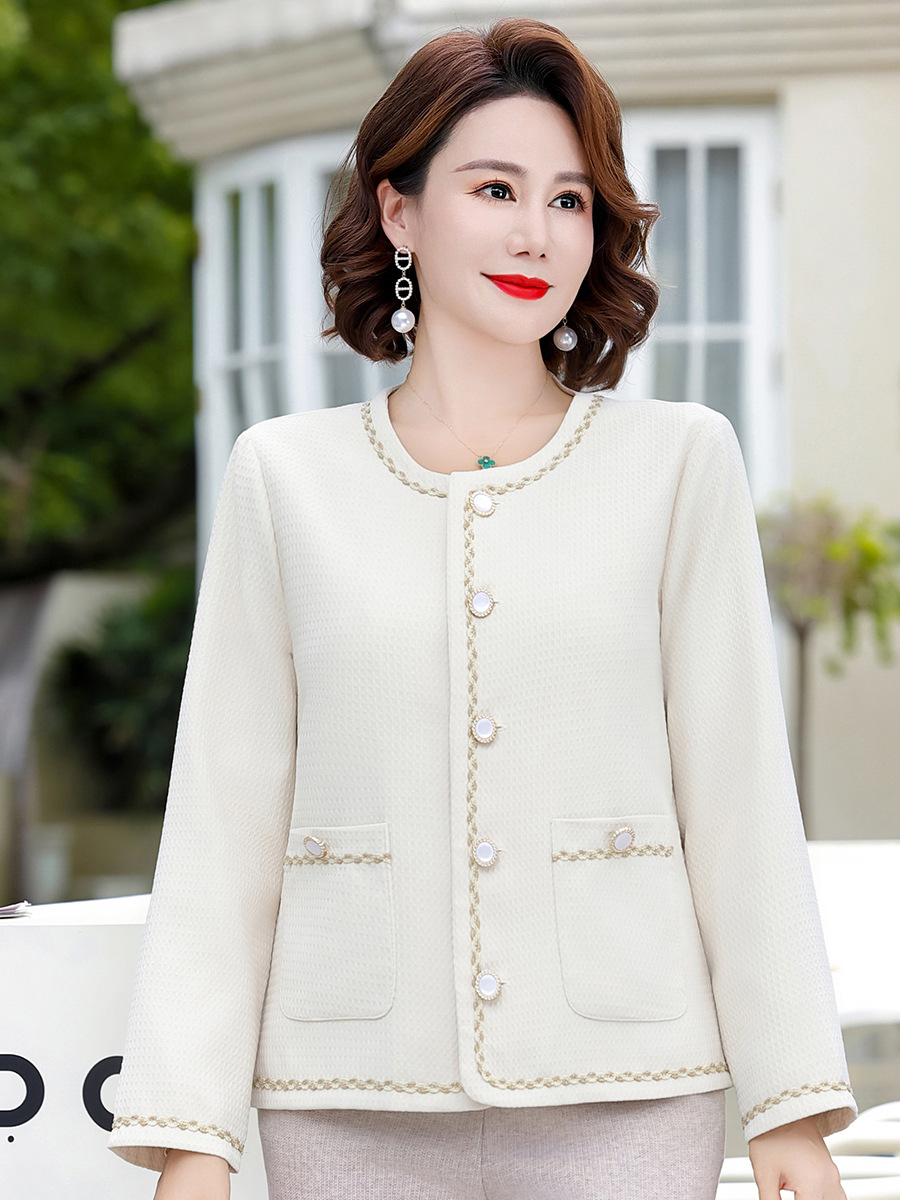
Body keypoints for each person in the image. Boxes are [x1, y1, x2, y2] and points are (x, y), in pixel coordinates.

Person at [107, 16, 857, 1200]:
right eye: (495, 188)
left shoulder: (678, 463)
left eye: (569, 200)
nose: (534, 233)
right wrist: (192, 1136)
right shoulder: (282, 479)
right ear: (399, 211)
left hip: (630, 1086)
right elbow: (223, 821)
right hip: (347, 1093)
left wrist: (790, 1107)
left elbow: (739, 794)